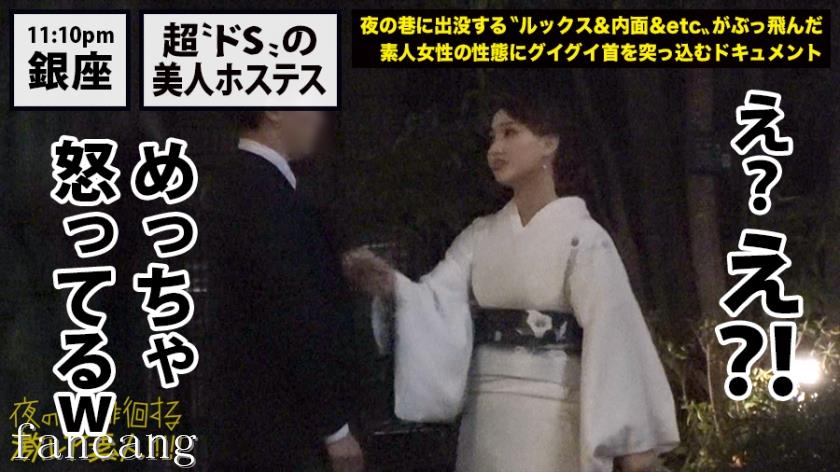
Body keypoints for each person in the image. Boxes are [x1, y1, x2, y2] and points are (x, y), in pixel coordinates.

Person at [343, 92, 680, 471]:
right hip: (487, 418)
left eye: (510, 133)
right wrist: (392, 285)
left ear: (549, 144)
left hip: (554, 420)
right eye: (493, 137)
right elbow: (434, 300)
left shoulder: (583, 239)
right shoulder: (481, 236)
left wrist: (632, 440)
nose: (495, 149)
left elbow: (615, 336)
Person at [202, 111, 364, 472]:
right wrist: (335, 428)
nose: (319, 117)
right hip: (281, 431)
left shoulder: (242, 183)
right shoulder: (263, 192)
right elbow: (294, 314)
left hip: (253, 426)